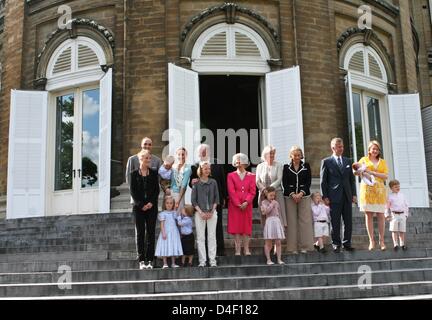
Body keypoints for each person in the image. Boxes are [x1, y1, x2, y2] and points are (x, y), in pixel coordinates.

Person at [189, 144, 227, 256]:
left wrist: (224, 196)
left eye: (205, 151)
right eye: (201, 151)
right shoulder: (195, 166)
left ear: (209, 151)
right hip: (201, 202)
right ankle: (205, 251)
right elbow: (191, 183)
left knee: (218, 225)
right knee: (203, 228)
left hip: (216, 200)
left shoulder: (217, 163)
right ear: (198, 153)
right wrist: (192, 182)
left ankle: (219, 250)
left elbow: (222, 181)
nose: (203, 153)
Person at [320, 138, 356, 253]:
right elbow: (323, 181)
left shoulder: (348, 161)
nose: (341, 149)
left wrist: (353, 194)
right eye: (338, 147)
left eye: (342, 146)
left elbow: (352, 180)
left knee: (348, 221)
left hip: (347, 195)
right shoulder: (326, 162)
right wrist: (324, 196)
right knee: (335, 222)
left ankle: (347, 243)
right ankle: (336, 243)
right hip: (333, 196)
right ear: (333, 148)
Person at [129, 149, 160, 270]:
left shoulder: (153, 173)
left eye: (149, 158)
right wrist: (141, 205)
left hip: (152, 208)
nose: (148, 160)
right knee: (141, 233)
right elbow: (133, 191)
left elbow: (156, 190)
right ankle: (142, 260)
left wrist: (151, 203)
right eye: (146, 158)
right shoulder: (133, 174)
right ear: (140, 159)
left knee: (151, 233)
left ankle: (150, 259)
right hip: (139, 208)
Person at [356, 140, 389, 251]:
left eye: (377, 149)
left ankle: (382, 240)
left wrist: (373, 173)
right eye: (373, 148)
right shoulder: (363, 160)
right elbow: (355, 171)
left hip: (379, 190)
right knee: (369, 215)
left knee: (380, 215)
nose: (375, 150)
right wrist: (362, 172)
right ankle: (371, 241)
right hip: (367, 190)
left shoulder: (382, 162)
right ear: (369, 150)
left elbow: (385, 176)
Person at [282, 146, 314, 254]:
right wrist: (292, 194)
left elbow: (308, 181)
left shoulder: (306, 166)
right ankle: (292, 248)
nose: (296, 157)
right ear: (290, 156)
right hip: (289, 197)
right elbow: (284, 183)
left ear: (301, 156)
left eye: (298, 155)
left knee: (305, 221)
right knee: (291, 222)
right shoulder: (286, 167)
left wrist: (300, 193)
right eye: (294, 155)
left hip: (304, 196)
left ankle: (305, 246)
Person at [227, 153, 256, 256]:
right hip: (235, 206)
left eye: (239, 160)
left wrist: (246, 202)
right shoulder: (230, 175)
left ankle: (247, 249)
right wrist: (238, 204)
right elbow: (231, 191)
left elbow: (252, 191)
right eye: (236, 160)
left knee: (246, 227)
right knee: (236, 227)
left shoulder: (252, 176)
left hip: (247, 205)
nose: (237, 162)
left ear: (244, 161)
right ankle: (238, 249)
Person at [191, 161, 219, 267]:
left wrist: (212, 211)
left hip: (212, 213)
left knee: (212, 237)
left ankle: (212, 261)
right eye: (205, 168)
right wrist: (201, 212)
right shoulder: (196, 183)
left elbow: (217, 198)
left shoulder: (214, 182)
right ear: (201, 170)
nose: (208, 170)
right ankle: (202, 261)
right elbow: (193, 201)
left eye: (209, 168)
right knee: (200, 238)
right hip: (200, 213)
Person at [256, 146, 286, 228]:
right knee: (264, 215)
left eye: (273, 153)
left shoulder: (279, 165)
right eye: (270, 153)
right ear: (265, 155)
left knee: (278, 214)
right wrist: (264, 189)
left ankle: (279, 236)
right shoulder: (260, 166)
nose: (272, 155)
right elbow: (257, 181)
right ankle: (267, 235)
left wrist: (269, 190)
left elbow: (279, 179)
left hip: (276, 193)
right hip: (263, 194)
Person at [155, 196, 183, 268]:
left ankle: (173, 263)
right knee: (165, 246)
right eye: (167, 203)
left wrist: (179, 232)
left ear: (173, 204)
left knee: (173, 246)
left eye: (171, 203)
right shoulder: (163, 214)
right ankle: (165, 263)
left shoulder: (174, 213)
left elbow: (177, 222)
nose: (169, 205)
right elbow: (162, 224)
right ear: (164, 204)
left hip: (174, 233)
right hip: (166, 232)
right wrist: (163, 232)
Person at [260, 186, 285, 265]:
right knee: (268, 242)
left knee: (278, 242)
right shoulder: (264, 202)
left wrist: (281, 224)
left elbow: (278, 213)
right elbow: (265, 212)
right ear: (266, 194)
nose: (272, 197)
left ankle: (279, 259)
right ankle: (268, 259)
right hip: (269, 222)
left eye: (274, 195)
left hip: (277, 221)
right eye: (271, 195)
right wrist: (271, 204)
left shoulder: (276, 202)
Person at [385, 180, 409, 251]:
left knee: (402, 230)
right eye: (395, 187)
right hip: (394, 215)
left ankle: (402, 244)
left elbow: (406, 205)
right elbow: (387, 206)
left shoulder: (402, 195)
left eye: (398, 186)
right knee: (394, 230)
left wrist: (406, 214)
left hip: (402, 214)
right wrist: (387, 215)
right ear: (391, 188)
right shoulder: (390, 196)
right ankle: (395, 244)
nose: (398, 188)